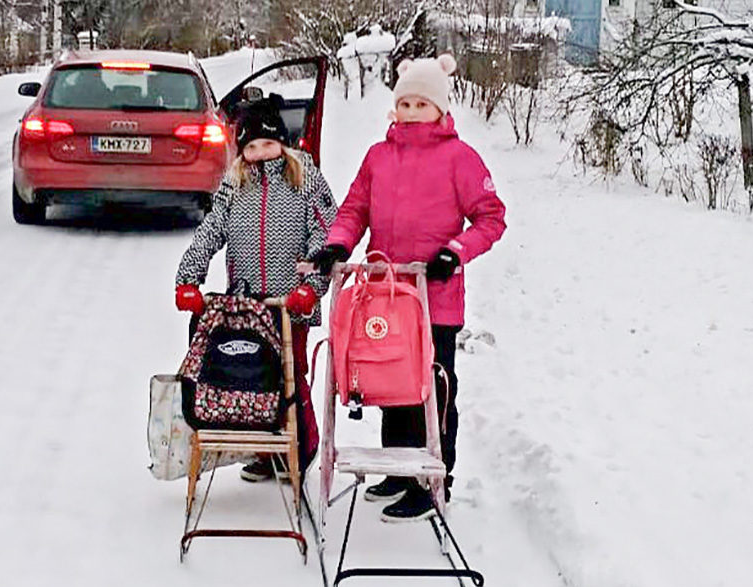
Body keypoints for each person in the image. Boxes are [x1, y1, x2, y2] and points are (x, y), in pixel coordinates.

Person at [311, 54, 507, 522]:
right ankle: (398, 468)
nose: (414, 111)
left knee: (431, 385)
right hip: (384, 289)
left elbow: (490, 217)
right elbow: (355, 208)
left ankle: (433, 478)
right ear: (394, 108)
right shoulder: (379, 156)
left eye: (423, 103)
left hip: (433, 296)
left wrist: (454, 252)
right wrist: (338, 244)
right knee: (388, 376)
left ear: (440, 108)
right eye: (406, 103)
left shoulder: (460, 158)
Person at [175, 95, 337, 481]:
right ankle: (266, 449)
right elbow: (210, 231)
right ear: (241, 150)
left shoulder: (306, 177)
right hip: (248, 303)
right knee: (256, 376)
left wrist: (312, 286)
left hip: (291, 301)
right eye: (251, 146)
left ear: (282, 141)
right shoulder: (235, 183)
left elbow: (326, 235)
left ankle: (301, 445)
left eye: (267, 144)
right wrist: (188, 279)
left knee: (291, 375)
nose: (260, 153)